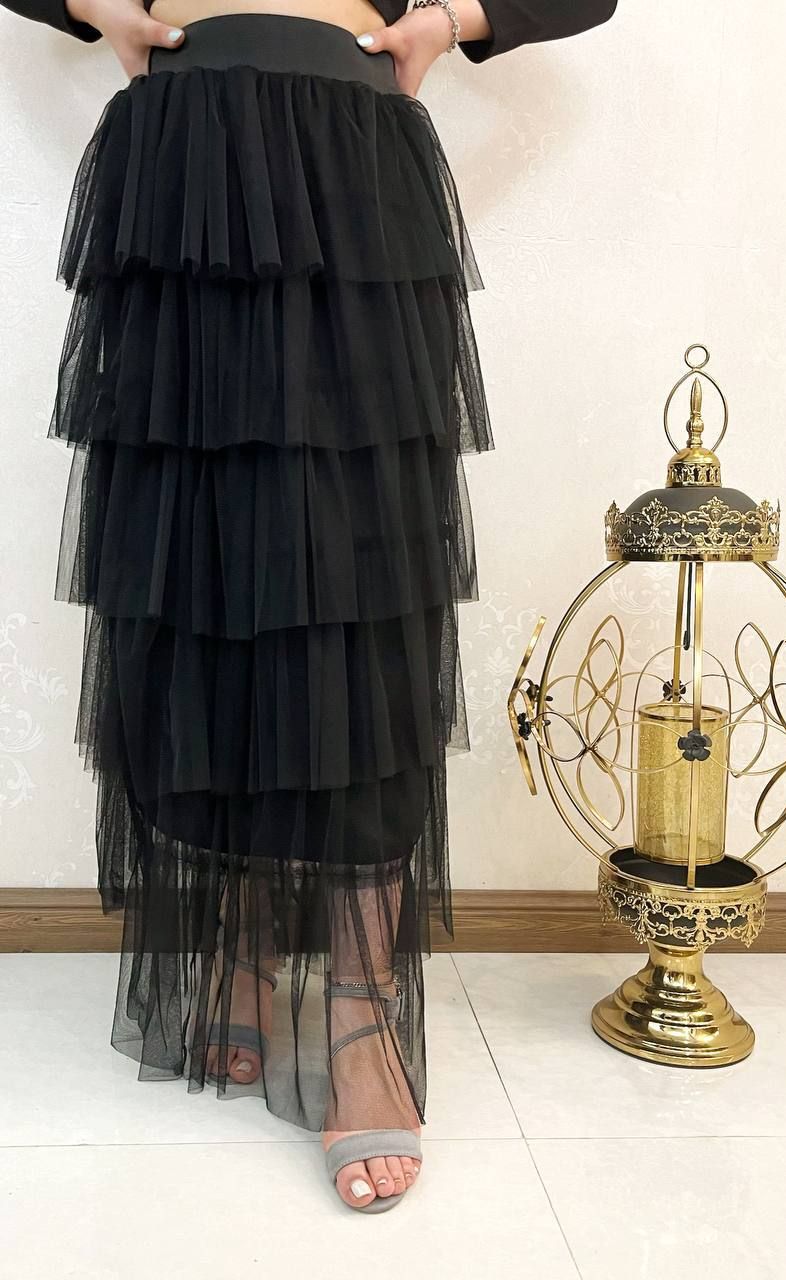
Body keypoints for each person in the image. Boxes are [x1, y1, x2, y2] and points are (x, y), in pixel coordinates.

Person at [1, 0, 617, 1213]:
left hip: (348, 155)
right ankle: (235, 950)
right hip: (180, 162)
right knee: (201, 572)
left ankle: (358, 1008)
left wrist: (449, 22)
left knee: (360, 586)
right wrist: (95, 5)